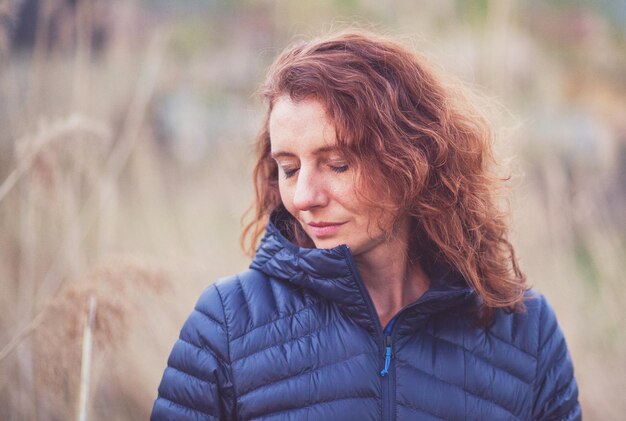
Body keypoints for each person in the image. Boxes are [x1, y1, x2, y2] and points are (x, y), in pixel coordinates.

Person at [151, 30, 580, 421]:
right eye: (288, 168)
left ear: (411, 160)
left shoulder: (524, 330)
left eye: (337, 164)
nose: (304, 196)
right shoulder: (227, 323)